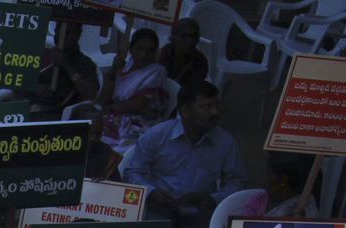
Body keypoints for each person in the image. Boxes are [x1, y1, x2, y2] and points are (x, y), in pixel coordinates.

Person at [119, 78, 248, 228]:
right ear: (185, 111)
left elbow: (237, 183)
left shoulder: (225, 143)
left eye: (215, 106)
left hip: (199, 212)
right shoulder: (157, 135)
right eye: (206, 107)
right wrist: (152, 192)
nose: (215, 112)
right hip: (159, 208)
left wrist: (214, 199)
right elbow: (132, 172)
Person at [98, 28, 170, 158]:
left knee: (121, 154)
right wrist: (114, 70)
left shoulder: (157, 71)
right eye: (140, 48)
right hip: (117, 118)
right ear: (131, 49)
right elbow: (105, 99)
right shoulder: (125, 66)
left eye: (150, 50)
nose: (144, 54)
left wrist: (108, 109)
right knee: (94, 141)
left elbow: (136, 105)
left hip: (142, 123)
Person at [25, 21, 98, 117]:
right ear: (56, 32)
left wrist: (65, 65)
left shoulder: (85, 63)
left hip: (54, 115)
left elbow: (89, 94)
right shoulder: (41, 56)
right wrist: (35, 88)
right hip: (25, 109)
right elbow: (17, 82)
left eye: (75, 33)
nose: (70, 37)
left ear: (80, 34)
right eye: (67, 32)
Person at [158, 17, 208, 83]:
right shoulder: (161, 54)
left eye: (194, 36)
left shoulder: (200, 62)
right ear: (172, 39)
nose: (190, 41)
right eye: (185, 36)